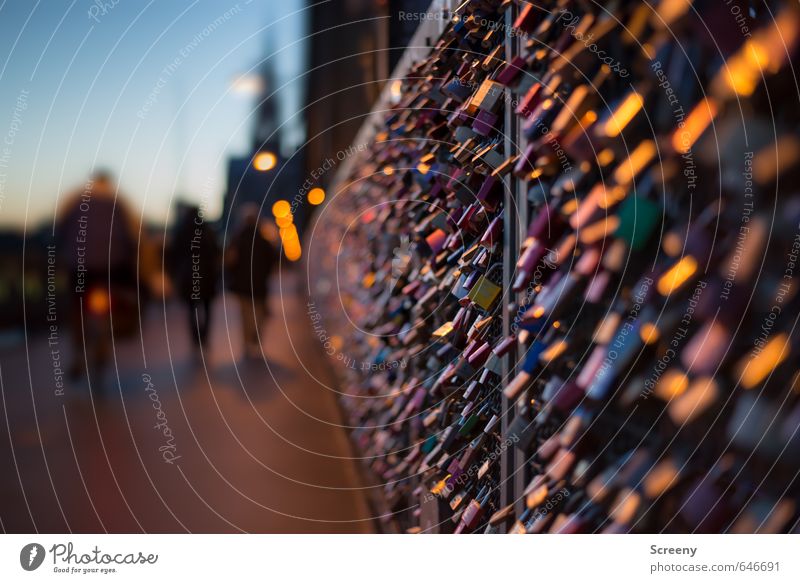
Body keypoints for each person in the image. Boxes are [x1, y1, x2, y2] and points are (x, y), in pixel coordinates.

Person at [57, 170, 139, 381]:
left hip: (80, 264)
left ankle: (77, 356)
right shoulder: (118, 202)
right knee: (113, 298)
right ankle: (105, 338)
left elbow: (62, 229)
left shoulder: (77, 199)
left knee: (77, 307)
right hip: (110, 266)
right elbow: (131, 234)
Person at [226, 205, 278, 359]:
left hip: (242, 284)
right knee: (259, 311)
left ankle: (248, 340)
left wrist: (233, 275)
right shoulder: (264, 240)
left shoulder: (237, 239)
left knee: (245, 313)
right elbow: (272, 261)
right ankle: (256, 335)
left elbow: (230, 261)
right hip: (260, 283)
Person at [169, 204, 220, 349]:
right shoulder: (207, 229)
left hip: (188, 275)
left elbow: (174, 255)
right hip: (206, 275)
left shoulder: (181, 231)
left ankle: (195, 337)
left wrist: (174, 273)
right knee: (207, 307)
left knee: (192, 309)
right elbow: (216, 251)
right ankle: (204, 336)